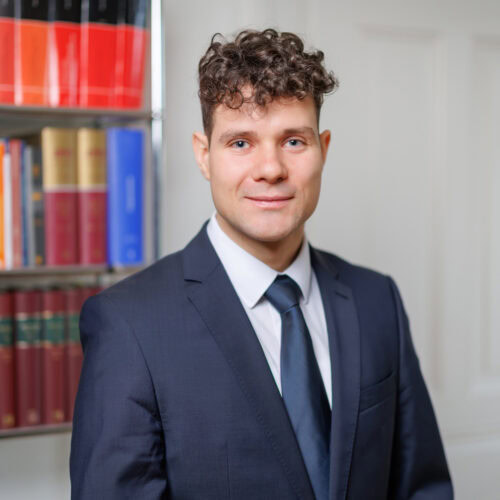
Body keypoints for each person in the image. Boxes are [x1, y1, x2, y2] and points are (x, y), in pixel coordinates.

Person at [70, 28, 453, 499]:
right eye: (240, 143)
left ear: (323, 149)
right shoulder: (129, 323)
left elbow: (423, 489)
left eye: (293, 141)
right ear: (204, 155)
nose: (270, 169)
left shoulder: (377, 300)